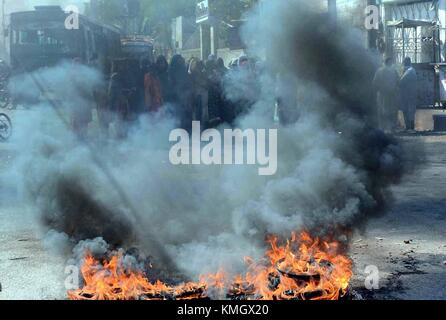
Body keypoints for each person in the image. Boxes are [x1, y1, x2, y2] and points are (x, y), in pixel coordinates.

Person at [372, 57, 400, 132]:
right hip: (392, 94)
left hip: (382, 94)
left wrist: (378, 90)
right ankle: (392, 127)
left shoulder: (379, 71)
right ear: (390, 63)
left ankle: (382, 128)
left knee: (382, 111)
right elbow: (398, 81)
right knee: (392, 110)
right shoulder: (394, 71)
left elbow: (375, 83)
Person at [169, 54, 193, 129]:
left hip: (185, 98)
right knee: (178, 118)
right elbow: (172, 85)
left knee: (186, 117)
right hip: (176, 99)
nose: (181, 61)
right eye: (179, 60)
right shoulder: (171, 71)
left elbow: (188, 83)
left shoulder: (184, 70)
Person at [400, 57, 418, 131]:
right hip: (409, 94)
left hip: (409, 94)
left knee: (408, 110)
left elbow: (401, 81)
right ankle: (409, 127)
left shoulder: (409, 71)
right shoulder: (410, 70)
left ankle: (410, 127)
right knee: (408, 110)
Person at [189, 58, 209, 125]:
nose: (197, 67)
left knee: (203, 113)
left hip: (202, 96)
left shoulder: (203, 74)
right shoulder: (191, 75)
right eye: (194, 65)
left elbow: (206, 84)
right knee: (195, 114)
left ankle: (203, 127)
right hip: (195, 97)